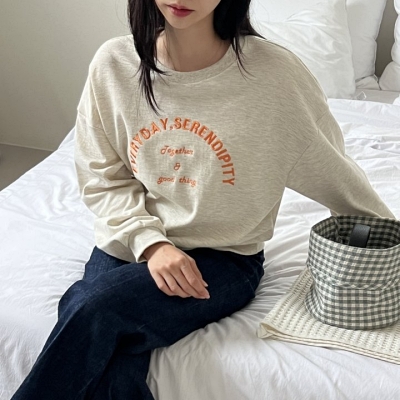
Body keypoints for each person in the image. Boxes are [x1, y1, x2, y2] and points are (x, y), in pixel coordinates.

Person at [12, 0, 395, 399]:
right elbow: (102, 177)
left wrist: (386, 240)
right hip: (128, 241)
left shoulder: (275, 76)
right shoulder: (114, 64)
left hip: (224, 258)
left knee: (90, 307)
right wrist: (153, 245)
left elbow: (335, 174)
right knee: (107, 343)